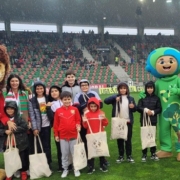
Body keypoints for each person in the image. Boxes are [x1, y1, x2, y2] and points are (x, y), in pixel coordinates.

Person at [5, 74, 32, 178]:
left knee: (24, 148)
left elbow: (29, 109)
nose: (14, 83)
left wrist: (28, 120)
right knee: (13, 148)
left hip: (23, 123)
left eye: (16, 81)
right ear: (9, 83)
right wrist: (8, 121)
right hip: (11, 122)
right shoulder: (6, 94)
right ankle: (15, 168)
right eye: (12, 81)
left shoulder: (25, 93)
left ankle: (24, 168)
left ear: (19, 82)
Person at [104, 82, 136, 163]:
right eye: (121, 88)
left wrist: (133, 107)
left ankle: (129, 156)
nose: (123, 90)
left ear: (127, 89)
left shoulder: (131, 98)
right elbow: (105, 101)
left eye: (124, 88)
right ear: (118, 89)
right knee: (120, 140)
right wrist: (115, 97)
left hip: (128, 122)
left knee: (128, 140)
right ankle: (121, 156)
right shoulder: (116, 97)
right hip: (118, 122)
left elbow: (134, 110)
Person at [53, 91, 81, 178]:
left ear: (71, 99)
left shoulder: (75, 109)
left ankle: (76, 168)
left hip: (74, 135)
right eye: (65, 99)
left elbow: (78, 120)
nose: (67, 101)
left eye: (68, 99)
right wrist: (56, 135)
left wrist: (78, 126)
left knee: (74, 153)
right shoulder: (58, 111)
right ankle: (65, 169)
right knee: (64, 154)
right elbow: (56, 124)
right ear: (61, 100)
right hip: (63, 137)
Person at [28, 81, 52, 169]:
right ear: (35, 89)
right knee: (37, 146)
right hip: (38, 127)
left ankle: (48, 164)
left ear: (44, 89)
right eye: (37, 88)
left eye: (41, 88)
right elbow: (32, 115)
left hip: (47, 126)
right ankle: (39, 164)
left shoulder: (48, 98)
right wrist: (34, 128)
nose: (39, 90)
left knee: (47, 146)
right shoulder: (32, 100)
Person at [137, 81, 162, 162]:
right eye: (148, 88)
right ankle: (144, 154)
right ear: (146, 88)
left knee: (152, 137)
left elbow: (159, 108)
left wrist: (153, 112)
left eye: (151, 88)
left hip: (153, 120)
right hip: (144, 120)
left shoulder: (156, 98)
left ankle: (153, 153)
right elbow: (138, 107)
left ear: (153, 88)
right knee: (144, 136)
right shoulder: (142, 97)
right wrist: (146, 110)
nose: (149, 89)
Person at [83, 97, 108, 174]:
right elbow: (85, 127)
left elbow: (105, 124)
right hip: (90, 134)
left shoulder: (101, 113)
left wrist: (104, 119)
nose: (93, 108)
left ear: (97, 106)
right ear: (88, 106)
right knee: (91, 150)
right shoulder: (87, 114)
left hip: (100, 134)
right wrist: (84, 121)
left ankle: (102, 164)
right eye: (91, 106)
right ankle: (91, 166)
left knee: (101, 149)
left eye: (95, 106)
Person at [4, 101, 29, 180]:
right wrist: (5, 131)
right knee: (10, 158)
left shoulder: (19, 118)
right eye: (8, 109)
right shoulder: (3, 119)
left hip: (20, 141)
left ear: (15, 109)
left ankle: (23, 171)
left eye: (12, 109)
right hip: (8, 142)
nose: (10, 111)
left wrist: (13, 130)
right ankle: (10, 173)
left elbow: (25, 127)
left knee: (22, 157)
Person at [47, 85, 63, 172]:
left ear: (59, 91)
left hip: (69, 128)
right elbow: (52, 119)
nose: (54, 93)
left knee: (69, 147)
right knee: (60, 147)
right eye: (52, 91)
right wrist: (48, 108)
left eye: (56, 90)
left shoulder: (66, 100)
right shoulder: (51, 104)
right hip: (58, 129)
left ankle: (70, 164)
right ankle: (61, 165)